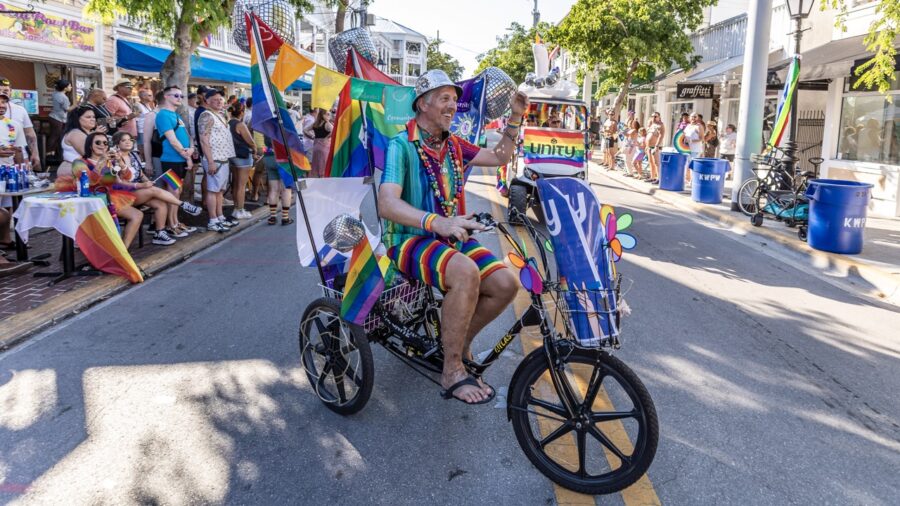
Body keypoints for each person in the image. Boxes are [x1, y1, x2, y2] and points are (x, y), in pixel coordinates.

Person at [379, 69, 525, 405]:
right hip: (407, 239)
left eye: (455, 100)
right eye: (445, 98)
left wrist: (515, 118)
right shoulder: (401, 145)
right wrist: (437, 223)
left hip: (451, 236)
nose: (453, 106)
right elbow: (386, 204)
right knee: (465, 273)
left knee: (506, 285)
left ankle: (454, 345)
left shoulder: (454, 145)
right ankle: (452, 368)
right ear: (423, 104)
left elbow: (501, 157)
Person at [110, 131, 201, 245]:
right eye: (124, 140)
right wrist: (142, 185)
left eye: (130, 140)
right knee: (153, 190)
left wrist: (147, 182)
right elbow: (118, 182)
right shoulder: (114, 159)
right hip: (123, 195)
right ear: (117, 144)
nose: (128, 142)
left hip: (139, 191)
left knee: (160, 203)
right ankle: (183, 204)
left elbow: (140, 174)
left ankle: (159, 233)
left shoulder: (134, 155)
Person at [155, 85, 196, 238]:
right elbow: (172, 140)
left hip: (182, 158)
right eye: (176, 96)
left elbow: (187, 136)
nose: (179, 98)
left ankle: (176, 222)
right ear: (166, 96)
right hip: (171, 159)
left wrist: (191, 149)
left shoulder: (176, 115)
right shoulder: (163, 115)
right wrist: (187, 155)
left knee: (177, 192)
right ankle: (171, 224)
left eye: (181, 96)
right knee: (173, 192)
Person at [197, 89, 237, 233]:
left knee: (220, 191)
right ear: (207, 101)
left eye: (221, 99)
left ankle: (220, 217)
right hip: (214, 158)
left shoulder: (219, 115)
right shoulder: (206, 116)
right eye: (215, 99)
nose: (219, 101)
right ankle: (212, 220)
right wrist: (211, 161)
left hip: (223, 157)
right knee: (212, 190)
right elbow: (204, 140)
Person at [0, 76, 41, 170]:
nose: (1, 93)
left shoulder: (20, 110)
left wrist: (35, 154)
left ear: (11, 92)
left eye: (5, 91)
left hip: (20, 159)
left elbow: (30, 134)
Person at [228, 102, 258, 219]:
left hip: (232, 155)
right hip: (242, 156)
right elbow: (250, 141)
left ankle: (237, 208)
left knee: (236, 184)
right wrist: (255, 149)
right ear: (242, 112)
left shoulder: (228, 123)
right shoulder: (240, 125)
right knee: (241, 185)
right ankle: (239, 210)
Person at [59, 106, 105, 177]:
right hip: (74, 170)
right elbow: (88, 154)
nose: (93, 119)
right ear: (77, 119)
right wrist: (95, 136)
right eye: (88, 117)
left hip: (84, 169)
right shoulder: (76, 133)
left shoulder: (87, 133)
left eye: (93, 117)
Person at [262, 136, 293, 226]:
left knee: (273, 189)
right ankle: (285, 218)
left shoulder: (266, 123)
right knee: (286, 189)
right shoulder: (283, 123)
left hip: (268, 156)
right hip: (282, 156)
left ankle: (273, 217)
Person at [49, 79, 75, 158]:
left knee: (55, 136)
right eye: (70, 86)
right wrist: (76, 104)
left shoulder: (55, 93)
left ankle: (53, 152)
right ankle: (49, 153)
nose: (71, 87)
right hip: (58, 119)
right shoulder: (63, 97)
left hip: (53, 117)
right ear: (65, 88)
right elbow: (67, 109)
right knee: (56, 136)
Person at [303, 108, 333, 178]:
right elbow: (335, 131)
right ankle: (323, 183)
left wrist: (312, 137)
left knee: (315, 167)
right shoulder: (327, 124)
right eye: (327, 114)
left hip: (316, 146)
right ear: (323, 115)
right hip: (325, 147)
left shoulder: (315, 124)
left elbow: (305, 130)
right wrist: (327, 137)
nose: (329, 116)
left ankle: (316, 182)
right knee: (324, 167)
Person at [683, 112, 704, 183]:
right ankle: (687, 179)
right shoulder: (688, 126)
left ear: (697, 118)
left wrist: (692, 140)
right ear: (689, 118)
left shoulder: (699, 126)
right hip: (687, 149)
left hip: (695, 149)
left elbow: (701, 138)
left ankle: (693, 181)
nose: (693, 118)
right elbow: (684, 135)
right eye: (692, 117)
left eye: (695, 117)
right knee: (687, 164)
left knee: (693, 165)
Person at [134, 88, 154, 154]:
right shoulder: (137, 105)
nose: (152, 96)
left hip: (149, 130)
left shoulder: (149, 105)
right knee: (143, 150)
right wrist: (136, 132)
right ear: (143, 96)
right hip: (141, 131)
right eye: (150, 95)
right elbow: (135, 120)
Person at [646, 112, 664, 184]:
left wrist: (656, 146)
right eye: (652, 116)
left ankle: (659, 178)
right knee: (651, 162)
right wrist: (646, 146)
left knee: (657, 163)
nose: (653, 118)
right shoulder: (652, 125)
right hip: (649, 147)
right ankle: (652, 177)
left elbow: (661, 136)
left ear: (659, 117)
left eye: (655, 116)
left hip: (655, 147)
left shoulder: (660, 125)